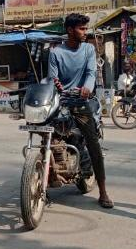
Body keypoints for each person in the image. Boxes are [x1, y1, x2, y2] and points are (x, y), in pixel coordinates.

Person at [45, 13, 114, 209]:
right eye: (81, 29)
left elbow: (91, 73)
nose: (85, 32)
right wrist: (54, 83)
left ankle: (103, 191)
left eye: (85, 28)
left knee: (93, 144)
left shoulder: (88, 50)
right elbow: (52, 78)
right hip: (60, 101)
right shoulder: (55, 53)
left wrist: (87, 87)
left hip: (82, 101)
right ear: (70, 30)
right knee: (43, 131)